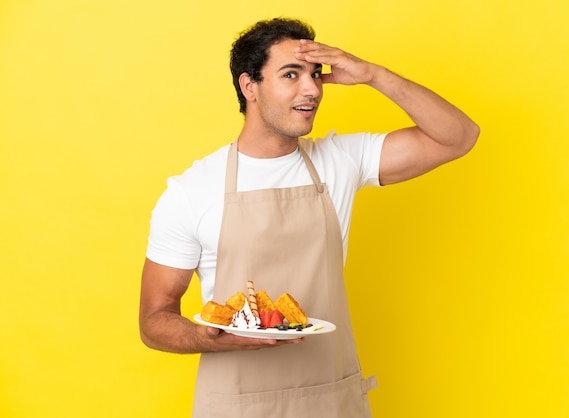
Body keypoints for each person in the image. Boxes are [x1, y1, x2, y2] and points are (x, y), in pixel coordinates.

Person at [139, 17, 479, 418]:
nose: (312, 89)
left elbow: (458, 136)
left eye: (316, 75)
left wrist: (374, 75)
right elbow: (154, 319)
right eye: (291, 74)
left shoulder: (341, 161)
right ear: (250, 86)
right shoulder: (191, 192)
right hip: (237, 405)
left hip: (330, 398)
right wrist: (210, 337)